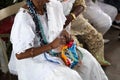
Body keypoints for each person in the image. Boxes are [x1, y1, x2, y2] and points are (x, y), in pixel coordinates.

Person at [8, 0, 108, 80]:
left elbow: (58, 27)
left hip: (56, 51)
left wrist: (64, 34)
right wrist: (51, 46)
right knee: (67, 76)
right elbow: (20, 55)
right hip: (36, 60)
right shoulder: (24, 17)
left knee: (88, 61)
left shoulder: (52, 5)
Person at [60, 0, 110, 66]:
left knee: (96, 37)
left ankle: (98, 61)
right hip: (56, 21)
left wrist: (72, 16)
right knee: (75, 47)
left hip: (73, 17)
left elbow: (81, 5)